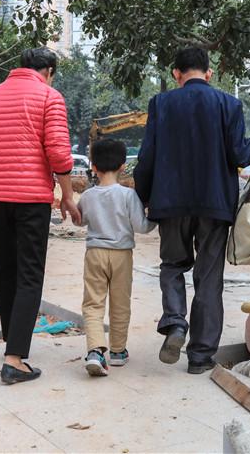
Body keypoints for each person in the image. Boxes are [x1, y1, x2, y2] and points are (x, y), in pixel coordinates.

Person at [134, 46, 250, 374]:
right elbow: (239, 154)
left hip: (170, 203)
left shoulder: (161, 103)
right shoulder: (229, 104)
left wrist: (144, 196)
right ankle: (199, 357)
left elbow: (147, 156)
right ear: (209, 73)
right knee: (209, 278)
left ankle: (175, 322)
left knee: (172, 266)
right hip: (215, 205)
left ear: (176, 74)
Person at [0, 47, 81, 385]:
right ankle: (14, 359)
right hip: (31, 198)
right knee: (30, 272)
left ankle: (12, 340)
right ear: (48, 71)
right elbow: (58, 152)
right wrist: (67, 195)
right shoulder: (49, 97)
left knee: (7, 270)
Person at [77, 139, 155, 377]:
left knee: (93, 303)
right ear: (123, 166)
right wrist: (154, 217)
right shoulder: (128, 195)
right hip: (122, 254)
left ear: (93, 167)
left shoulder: (87, 196)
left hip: (95, 253)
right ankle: (118, 352)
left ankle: (95, 352)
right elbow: (141, 227)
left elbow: (80, 221)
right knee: (120, 303)